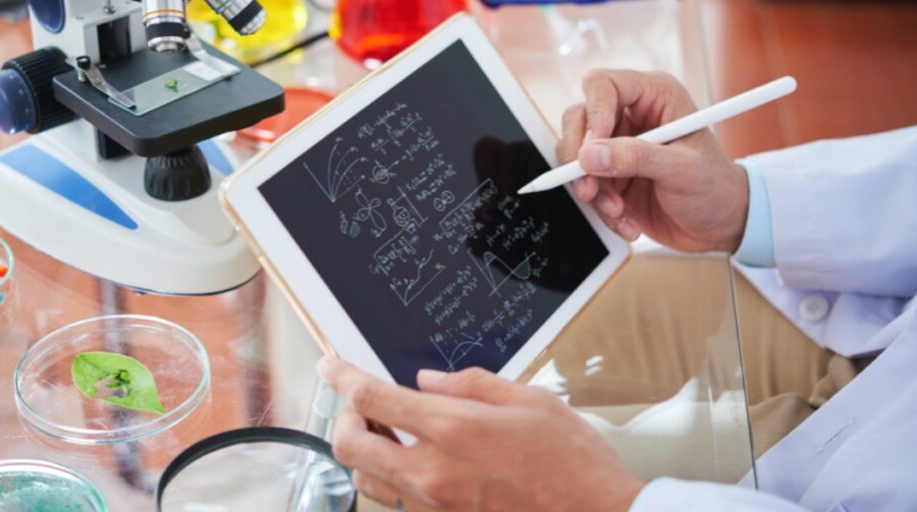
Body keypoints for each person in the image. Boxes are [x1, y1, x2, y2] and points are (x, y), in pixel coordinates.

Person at [318, 69, 917, 511]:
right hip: (882, 320)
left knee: (407, 484)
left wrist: (605, 500)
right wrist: (743, 205)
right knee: (439, 359)